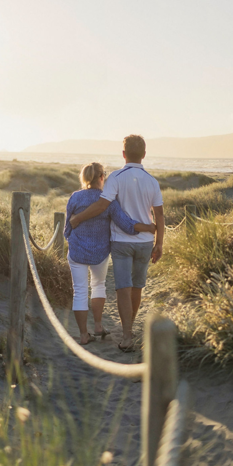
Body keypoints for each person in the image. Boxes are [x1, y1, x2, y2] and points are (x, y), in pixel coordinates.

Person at [69, 135, 164, 352]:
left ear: (123, 154)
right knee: (137, 286)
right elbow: (159, 215)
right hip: (145, 242)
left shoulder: (115, 178)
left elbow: (103, 205)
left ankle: (127, 335)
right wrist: (159, 244)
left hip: (121, 241)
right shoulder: (152, 181)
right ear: (144, 154)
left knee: (123, 287)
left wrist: (77, 219)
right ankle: (128, 329)